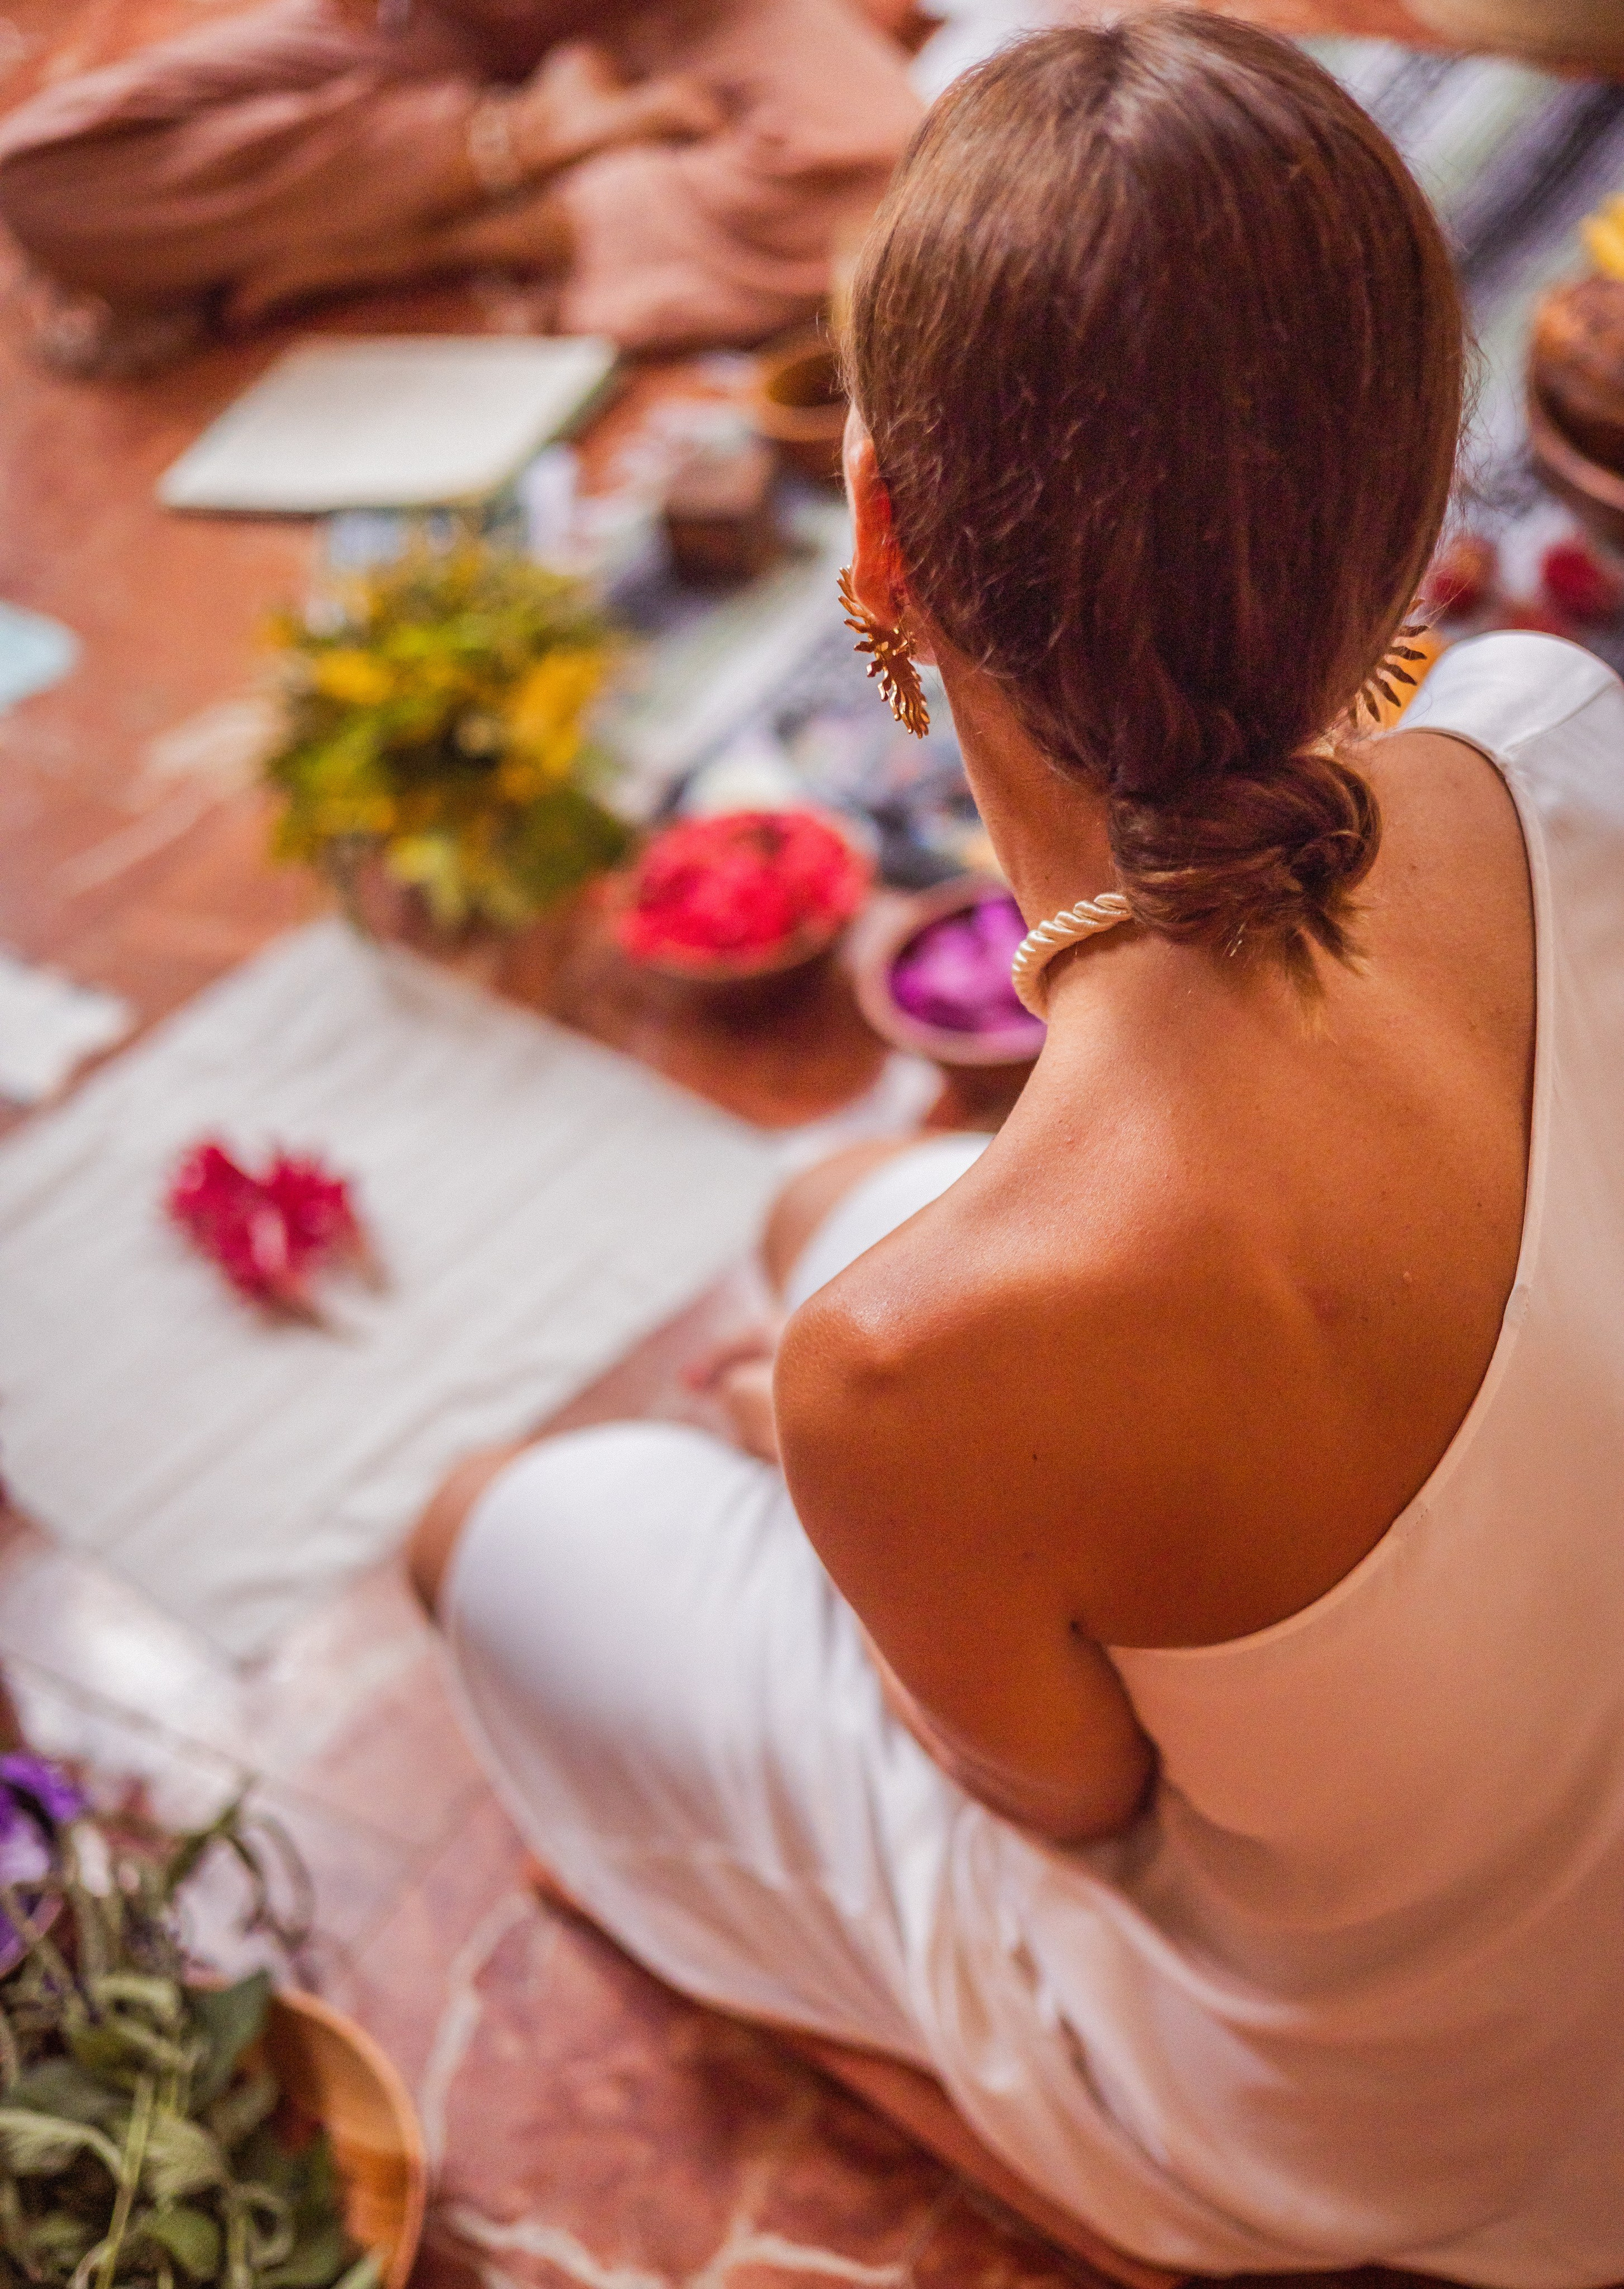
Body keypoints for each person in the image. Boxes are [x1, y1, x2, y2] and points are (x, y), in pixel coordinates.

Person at [408, 15, 1624, 2281]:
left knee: (496, 1524)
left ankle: (1088, 2159)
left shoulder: (909, 1367)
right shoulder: (1554, 729)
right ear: (1419, 492)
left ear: (875, 534)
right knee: (814, 1212)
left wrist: (866, 1502)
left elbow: (1067, 1813)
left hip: (1399, 2116)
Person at [0, 0, 922, 373]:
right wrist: (515, 133)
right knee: (53, 184)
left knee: (891, 184)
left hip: (666, 18)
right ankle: (537, 142)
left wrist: (424, 238)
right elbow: (44, 177)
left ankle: (434, 234)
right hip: (432, 38)